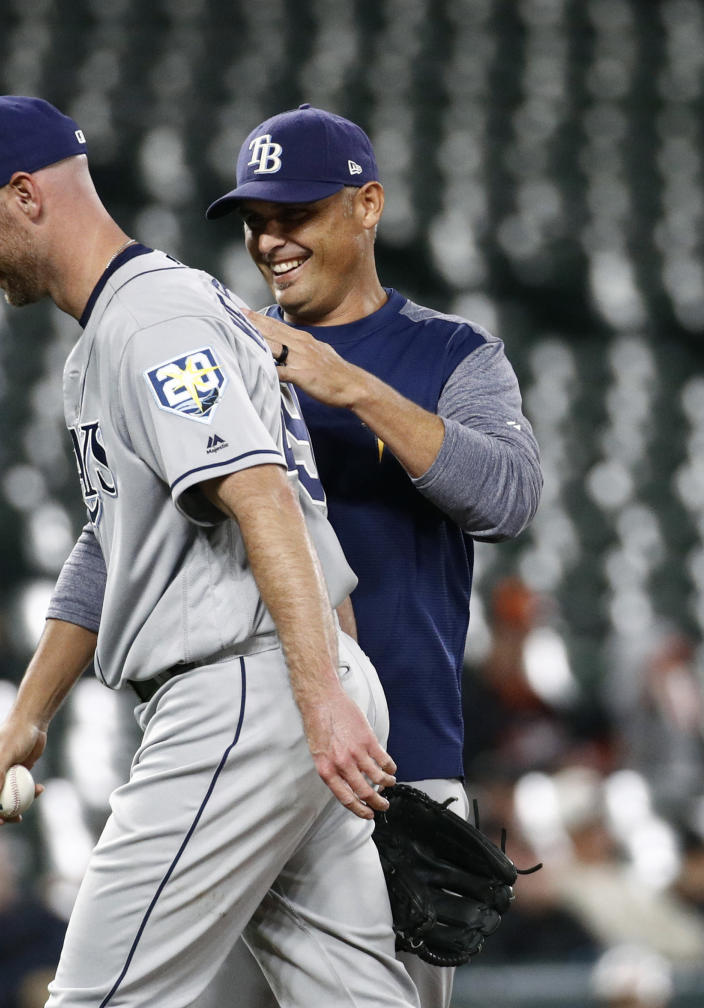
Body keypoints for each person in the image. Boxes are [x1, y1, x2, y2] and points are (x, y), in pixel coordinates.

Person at [0, 96, 420, 1008]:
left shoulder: (153, 321)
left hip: (248, 688)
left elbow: (262, 497)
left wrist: (320, 697)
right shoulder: (142, 318)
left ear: (24, 196)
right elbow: (115, 543)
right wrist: (31, 710)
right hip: (295, 680)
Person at [58, 103, 543, 1006]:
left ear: (367, 207)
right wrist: (31, 709)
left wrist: (349, 385)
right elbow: (115, 537)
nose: (269, 239)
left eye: (296, 213)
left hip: (392, 767)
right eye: (255, 219)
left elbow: (507, 496)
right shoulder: (216, 345)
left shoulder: (450, 353)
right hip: (239, 752)